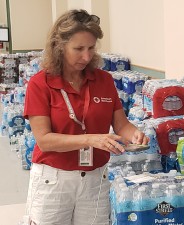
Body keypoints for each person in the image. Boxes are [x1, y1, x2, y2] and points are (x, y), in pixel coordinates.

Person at [23, 9, 149, 225]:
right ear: (59, 47)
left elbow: (121, 124)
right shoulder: (40, 84)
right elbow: (44, 140)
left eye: (91, 48)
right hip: (53, 180)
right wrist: (91, 139)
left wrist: (135, 135)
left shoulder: (103, 80)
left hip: (95, 179)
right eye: (78, 49)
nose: (87, 56)